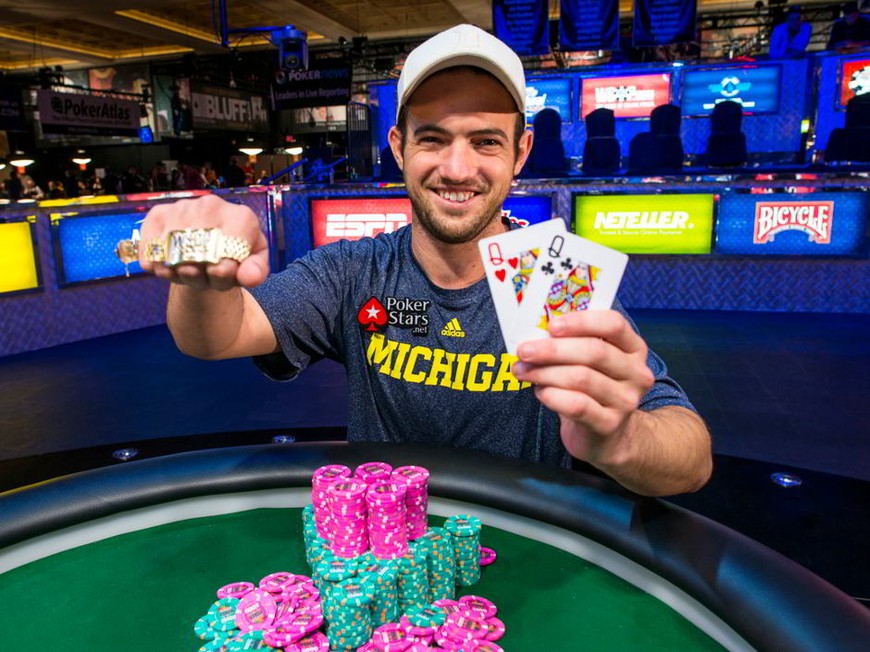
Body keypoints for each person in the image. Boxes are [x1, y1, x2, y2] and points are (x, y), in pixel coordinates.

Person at [138, 25, 711, 497]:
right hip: (381, 549)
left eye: (486, 141)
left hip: (531, 548)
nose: (457, 169)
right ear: (398, 148)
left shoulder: (551, 278)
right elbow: (217, 336)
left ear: (521, 153)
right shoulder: (353, 273)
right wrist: (203, 280)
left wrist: (620, 440)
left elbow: (691, 457)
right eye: (433, 139)